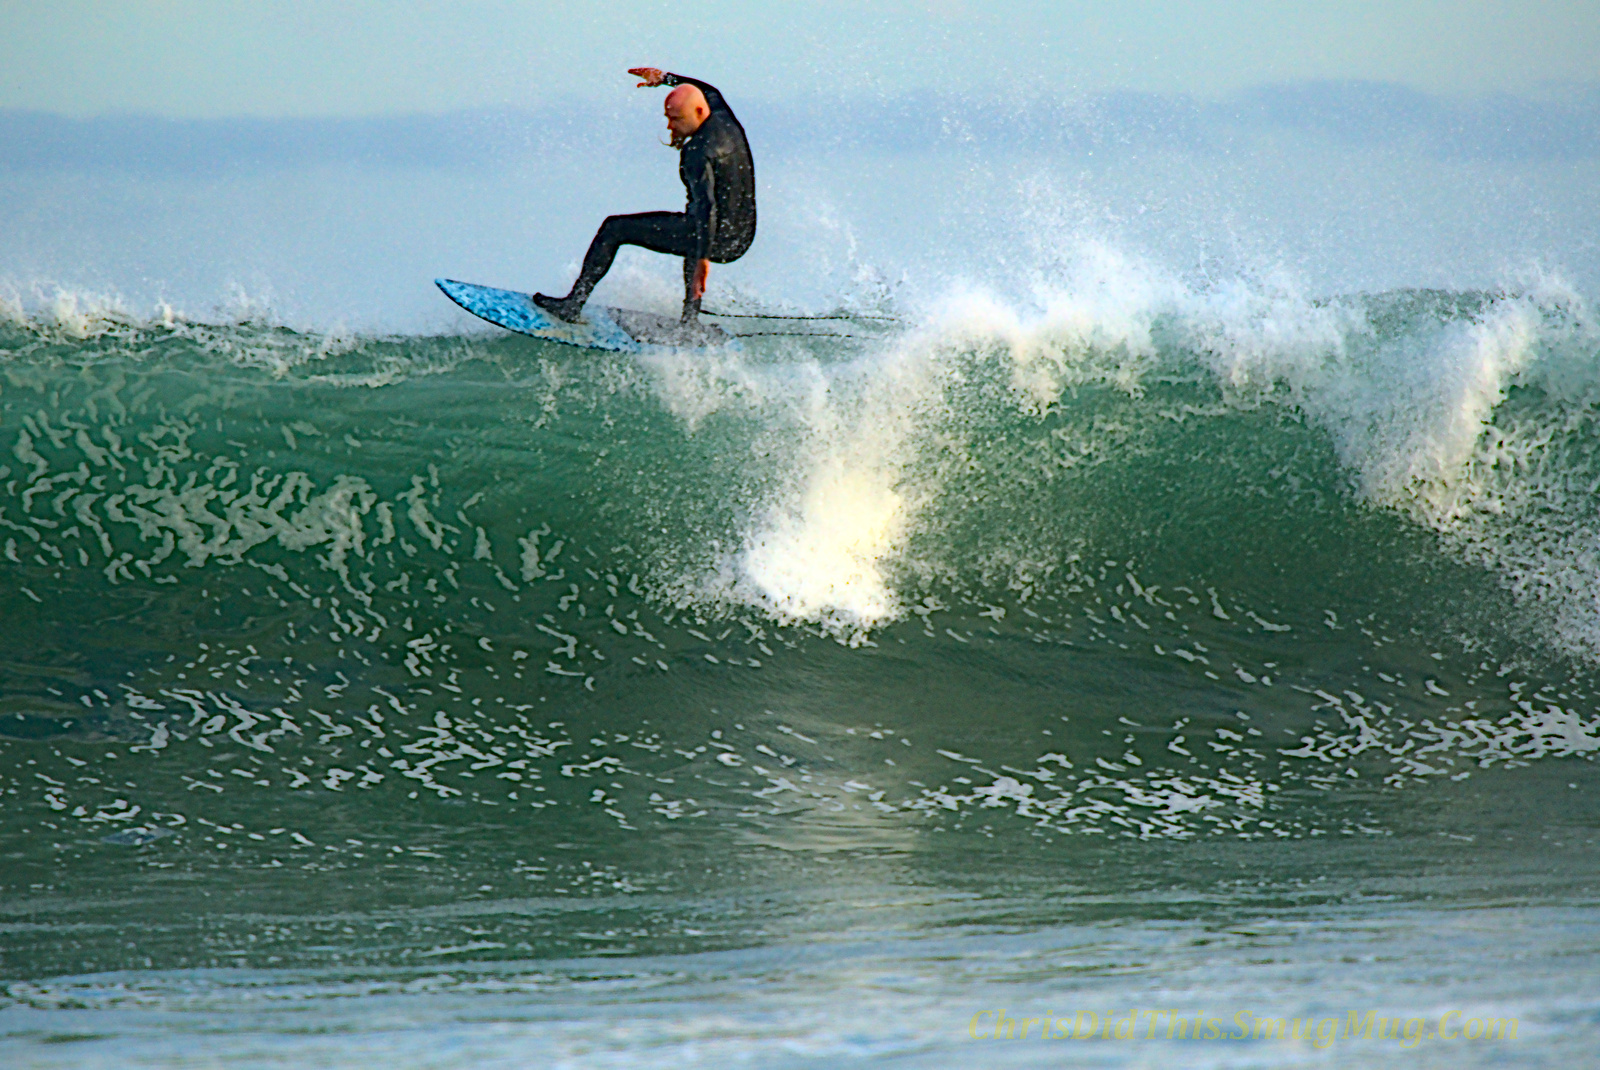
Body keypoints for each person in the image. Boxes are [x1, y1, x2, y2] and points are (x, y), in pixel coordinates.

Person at [534, 68, 756, 325]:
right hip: (743, 234)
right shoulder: (722, 117)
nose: (670, 126)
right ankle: (690, 320)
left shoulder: (697, 152)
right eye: (668, 118)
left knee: (614, 228)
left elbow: (707, 208)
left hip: (718, 237)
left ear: (698, 112)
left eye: (677, 119)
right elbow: (709, 89)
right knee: (691, 226)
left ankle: (573, 305)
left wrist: (703, 260)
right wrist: (665, 79)